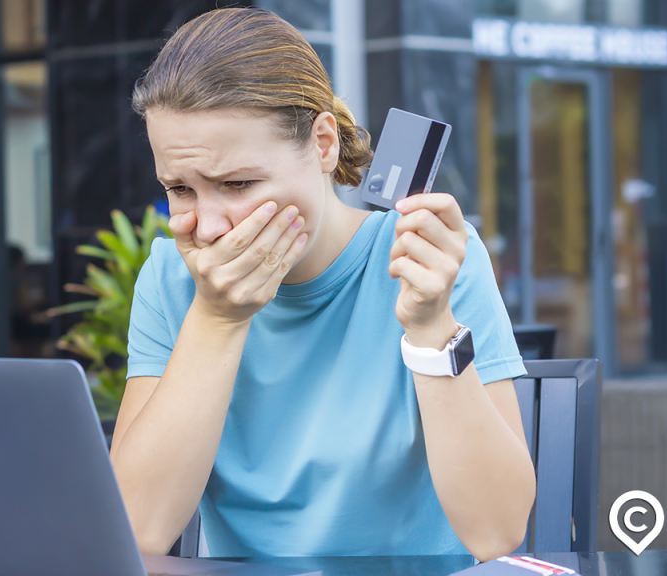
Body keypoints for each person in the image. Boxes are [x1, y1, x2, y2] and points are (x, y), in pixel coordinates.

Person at [109, 8, 536, 562]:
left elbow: (498, 532)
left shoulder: (429, 260)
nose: (210, 226)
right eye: (180, 189)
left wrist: (431, 328)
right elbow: (135, 530)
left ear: (324, 144)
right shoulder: (172, 278)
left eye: (237, 183)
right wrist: (217, 320)